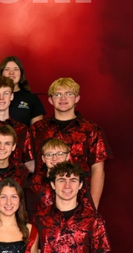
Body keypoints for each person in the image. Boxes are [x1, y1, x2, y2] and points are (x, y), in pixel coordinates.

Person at [24, 78, 110, 208]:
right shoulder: (37, 129)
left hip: (79, 203)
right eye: (58, 94)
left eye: (68, 94)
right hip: (40, 204)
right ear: (50, 100)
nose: (63, 98)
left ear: (77, 98)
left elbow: (98, 170)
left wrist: (93, 206)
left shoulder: (91, 130)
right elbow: (27, 167)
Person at [0, 56, 45, 126]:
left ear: (21, 73)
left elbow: (37, 131)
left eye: (16, 69)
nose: (11, 73)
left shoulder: (31, 98)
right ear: (1, 73)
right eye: (7, 69)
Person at [25, 139, 71, 217]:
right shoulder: (33, 182)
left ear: (67, 156)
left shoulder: (76, 180)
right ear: (43, 159)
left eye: (60, 154)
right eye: (49, 154)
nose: (55, 158)